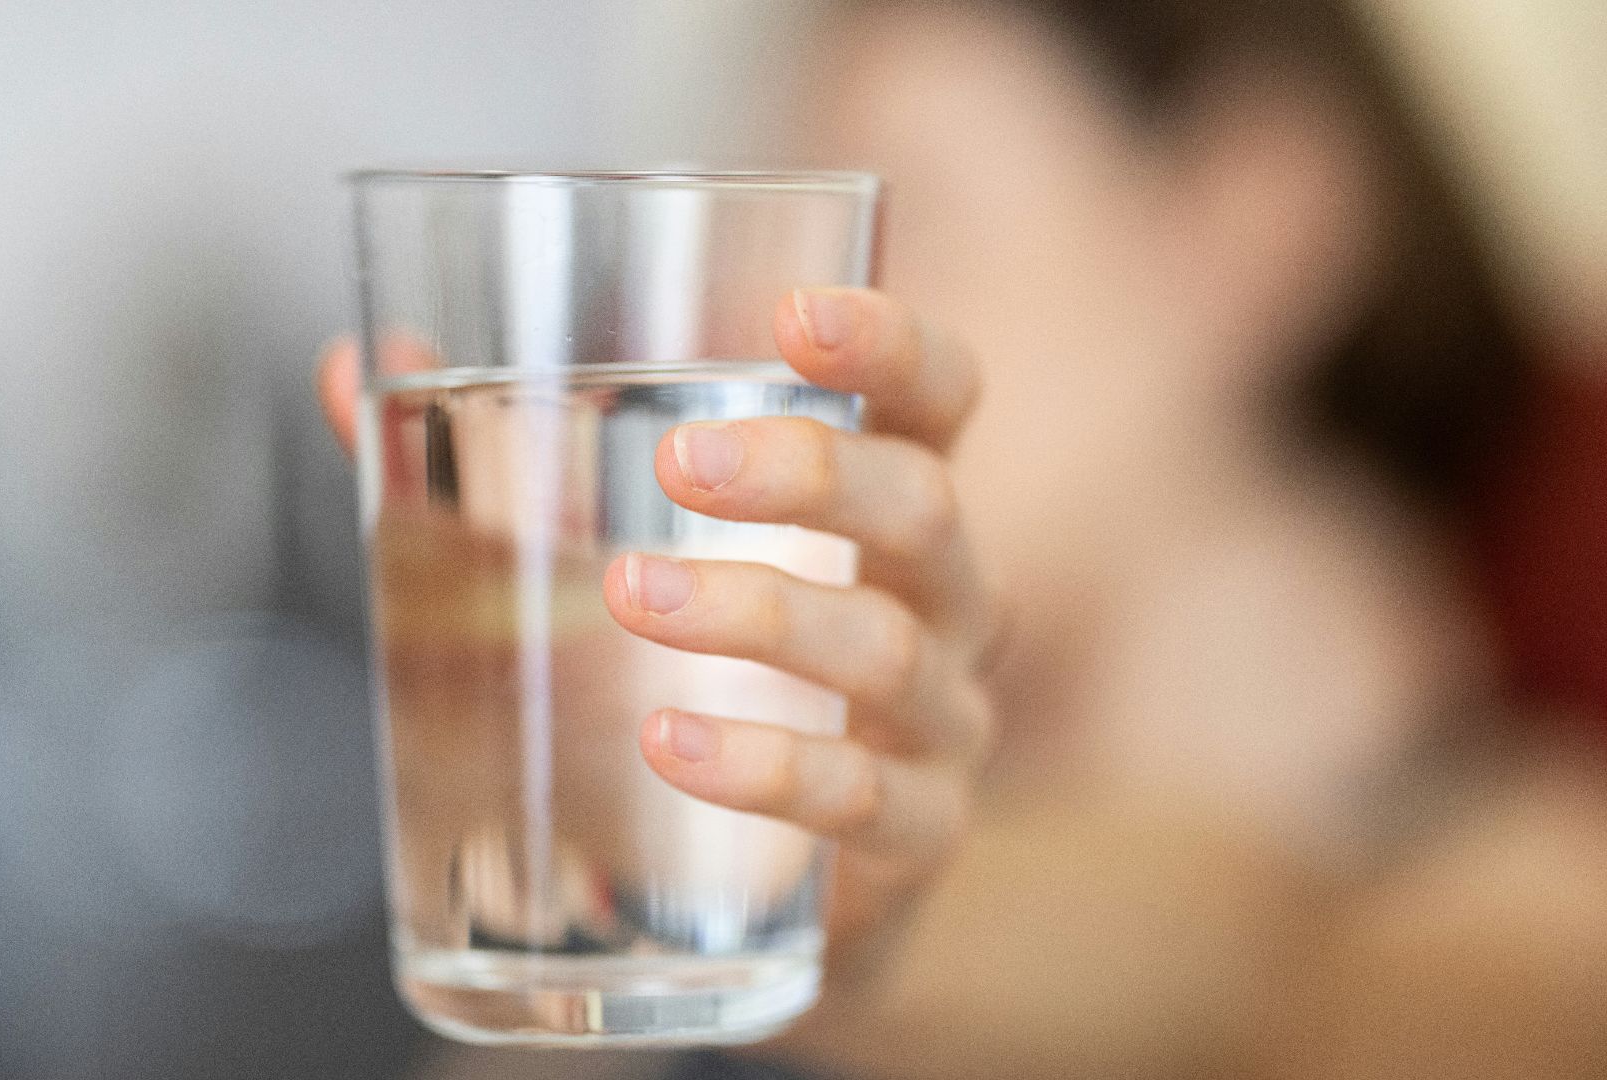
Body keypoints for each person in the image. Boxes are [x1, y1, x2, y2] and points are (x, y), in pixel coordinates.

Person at [319, 0, 1607, 1075]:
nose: (756, 327)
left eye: (897, 216)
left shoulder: (1528, 914)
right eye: (752, 239)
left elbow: (1316, 987)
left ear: (1253, 214)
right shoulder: (775, 890)